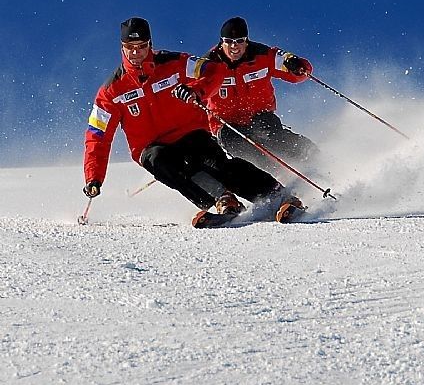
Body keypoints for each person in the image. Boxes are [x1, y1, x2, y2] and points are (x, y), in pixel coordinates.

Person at [83, 17, 302, 227]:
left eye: (141, 46)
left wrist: (197, 91)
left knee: (217, 165)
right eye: (129, 46)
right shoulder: (111, 91)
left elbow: (215, 70)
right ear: (122, 47)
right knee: (163, 163)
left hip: (189, 132)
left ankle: (278, 196)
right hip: (150, 146)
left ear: (150, 44)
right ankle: (222, 200)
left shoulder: (175, 63)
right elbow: (97, 136)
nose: (135, 52)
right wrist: (94, 177)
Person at [200, 16, 319, 171]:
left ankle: (313, 156)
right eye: (229, 41)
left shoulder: (262, 55)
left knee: (271, 134)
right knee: (237, 143)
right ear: (222, 42)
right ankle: (274, 174)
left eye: (239, 41)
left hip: (259, 113)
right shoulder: (209, 64)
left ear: (246, 41)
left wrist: (297, 66)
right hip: (225, 123)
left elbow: (295, 71)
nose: (234, 46)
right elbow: (195, 94)